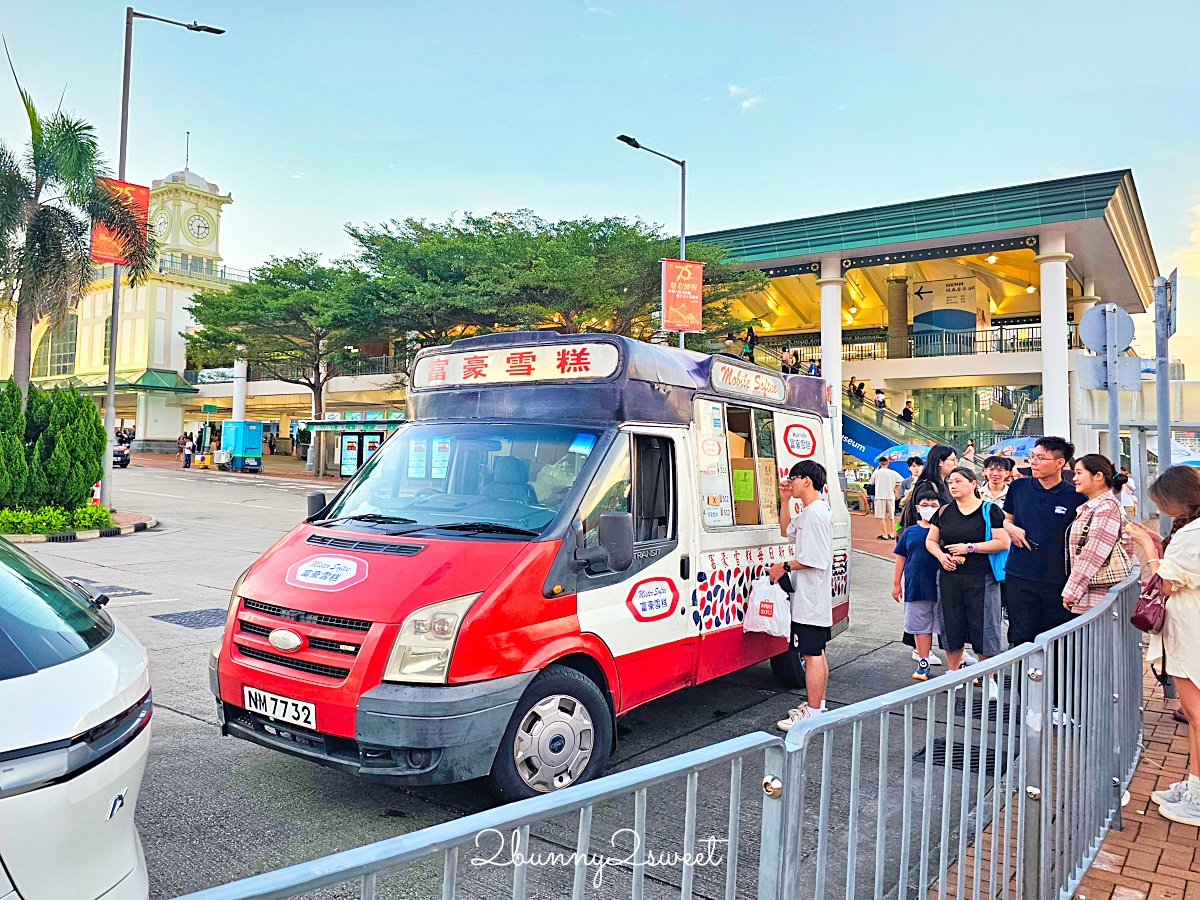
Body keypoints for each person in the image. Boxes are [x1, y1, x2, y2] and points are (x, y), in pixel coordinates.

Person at [1128, 466, 1200, 826]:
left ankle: (1198, 797)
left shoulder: (1193, 534)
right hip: (1189, 629)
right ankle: (1194, 784)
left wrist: (1146, 547)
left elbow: (1166, 583)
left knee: (1197, 714)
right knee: (1193, 716)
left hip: (1191, 633)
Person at [925, 467, 1010, 696]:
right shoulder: (943, 512)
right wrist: (942, 556)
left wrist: (970, 548)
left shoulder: (989, 510)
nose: (953, 486)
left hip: (982, 577)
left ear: (973, 483)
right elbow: (931, 540)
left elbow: (1003, 542)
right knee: (951, 624)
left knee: (985, 625)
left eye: (958, 481)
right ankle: (954, 672)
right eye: (950, 482)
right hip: (950, 576)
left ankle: (988, 677)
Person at [1002, 436, 1086, 647]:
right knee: (1020, 636)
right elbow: (1006, 519)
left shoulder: (1075, 496)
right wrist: (1011, 529)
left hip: (1057, 579)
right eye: (1032, 457)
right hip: (1019, 574)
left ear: (1060, 463)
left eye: (1041, 458)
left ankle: (1055, 680)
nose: (1034, 462)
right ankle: (1021, 679)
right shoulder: (1019, 487)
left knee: (1056, 639)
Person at [769, 460, 834, 731]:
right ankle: (816, 705)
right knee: (814, 652)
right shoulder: (809, 512)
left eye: (793, 478)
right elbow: (787, 531)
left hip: (811, 598)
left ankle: (814, 712)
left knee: (811, 655)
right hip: (809, 597)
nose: (790, 482)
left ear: (807, 480)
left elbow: (816, 558)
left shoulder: (816, 513)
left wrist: (783, 566)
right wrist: (784, 501)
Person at [1062, 454, 1131, 615]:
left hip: (1097, 597)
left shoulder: (1105, 508)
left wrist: (1072, 591)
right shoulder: (1098, 506)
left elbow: (1093, 553)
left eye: (1079, 473)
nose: (1074, 479)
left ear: (1098, 476)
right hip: (1094, 594)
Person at [893, 488, 944, 680]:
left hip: (942, 586)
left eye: (933, 505)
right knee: (919, 625)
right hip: (916, 586)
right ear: (917, 508)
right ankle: (923, 661)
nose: (928, 508)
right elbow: (900, 558)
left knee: (946, 625)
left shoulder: (945, 530)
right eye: (925, 505)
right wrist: (896, 583)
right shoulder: (909, 532)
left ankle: (958, 660)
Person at [870, 456, 903, 540]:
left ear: (879, 464)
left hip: (879, 496)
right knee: (891, 517)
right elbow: (902, 480)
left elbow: (871, 482)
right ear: (888, 463)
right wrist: (895, 487)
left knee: (882, 517)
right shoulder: (892, 472)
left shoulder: (876, 472)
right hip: (890, 496)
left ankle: (884, 534)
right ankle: (892, 533)